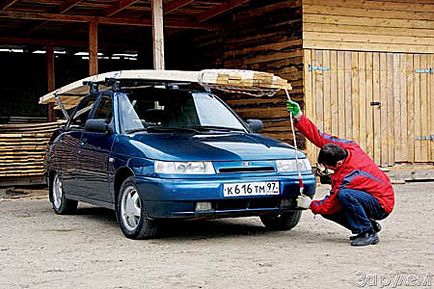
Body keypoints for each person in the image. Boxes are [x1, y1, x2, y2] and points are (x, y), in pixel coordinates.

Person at [287, 100, 395, 246]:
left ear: (338, 164)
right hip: (371, 195)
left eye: (327, 167)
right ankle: (369, 225)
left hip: (382, 204)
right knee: (338, 201)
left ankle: (367, 232)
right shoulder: (347, 147)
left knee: (342, 197)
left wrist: (310, 205)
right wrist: (299, 116)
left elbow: (330, 204)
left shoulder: (347, 177)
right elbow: (319, 137)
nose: (326, 169)